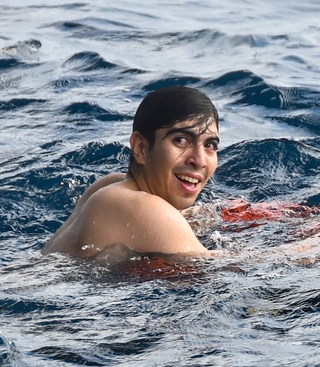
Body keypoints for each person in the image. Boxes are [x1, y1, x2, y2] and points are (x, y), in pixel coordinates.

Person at [42, 86, 221, 258]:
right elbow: (218, 269)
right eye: (181, 140)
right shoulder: (138, 206)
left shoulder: (111, 185)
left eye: (209, 145)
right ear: (140, 147)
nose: (199, 160)